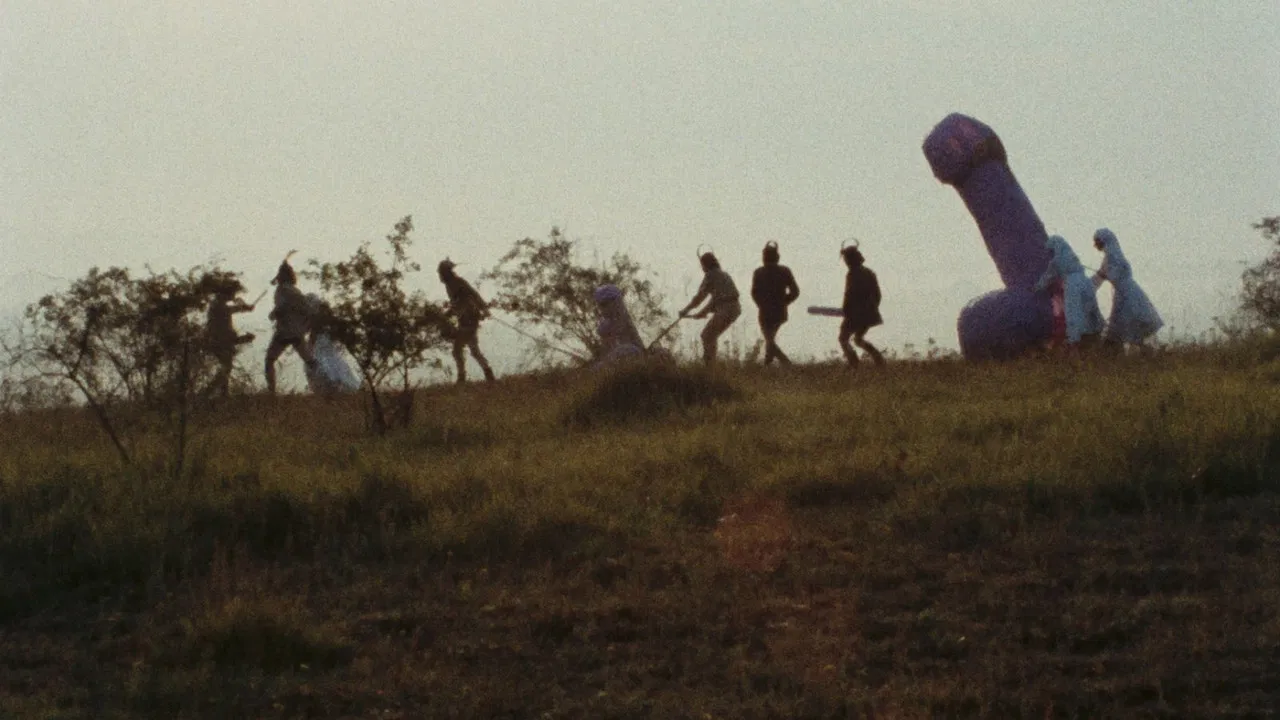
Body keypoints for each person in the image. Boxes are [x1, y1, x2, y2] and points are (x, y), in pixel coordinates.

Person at [1091, 228, 1163, 350]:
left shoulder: (1114, 257)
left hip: (1127, 296)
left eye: (1097, 242)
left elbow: (1111, 275)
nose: (1095, 245)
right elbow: (1098, 278)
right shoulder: (1109, 258)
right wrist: (1085, 287)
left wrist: (1102, 276)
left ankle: (1116, 353)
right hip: (1124, 294)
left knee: (1127, 324)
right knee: (1124, 325)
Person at [1033, 235, 1105, 351]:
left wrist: (1037, 287)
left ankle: (1074, 344)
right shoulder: (1073, 257)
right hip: (1086, 283)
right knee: (1089, 310)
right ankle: (1095, 338)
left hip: (1073, 285)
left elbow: (1048, 276)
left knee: (1073, 312)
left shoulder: (1056, 261)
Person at [438, 259, 496, 383]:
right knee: (474, 350)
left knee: (457, 349)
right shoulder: (449, 285)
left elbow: (473, 295)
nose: (440, 275)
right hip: (464, 319)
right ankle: (488, 373)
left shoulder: (459, 282)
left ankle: (462, 377)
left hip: (470, 318)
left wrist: (484, 308)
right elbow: (456, 304)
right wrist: (448, 314)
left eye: (441, 272)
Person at [679, 251, 741, 365]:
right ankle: (711, 365)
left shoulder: (711, 275)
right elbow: (715, 300)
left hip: (726, 308)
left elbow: (700, 297)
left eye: (702, 265)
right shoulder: (723, 274)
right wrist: (702, 312)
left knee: (707, 335)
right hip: (734, 308)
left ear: (705, 264)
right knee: (710, 335)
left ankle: (710, 366)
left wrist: (685, 310)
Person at [265, 259, 317, 394]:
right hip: (297, 332)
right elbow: (306, 310)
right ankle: (322, 384)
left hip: (284, 333)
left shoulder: (282, 290)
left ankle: (271, 392)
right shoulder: (295, 291)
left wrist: (273, 314)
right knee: (310, 361)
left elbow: (282, 307)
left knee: (269, 360)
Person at [204, 278, 256, 397]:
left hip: (220, 340)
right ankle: (207, 393)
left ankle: (223, 395)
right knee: (226, 368)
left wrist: (243, 307)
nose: (234, 296)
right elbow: (228, 311)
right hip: (220, 341)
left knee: (226, 368)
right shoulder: (219, 306)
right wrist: (244, 307)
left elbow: (230, 310)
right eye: (232, 293)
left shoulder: (217, 304)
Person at [750, 241, 800, 365]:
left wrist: (761, 304)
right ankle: (768, 364)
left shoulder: (758, 272)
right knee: (770, 339)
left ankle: (787, 364)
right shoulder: (785, 271)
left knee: (769, 340)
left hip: (765, 312)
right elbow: (795, 292)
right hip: (780, 311)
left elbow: (754, 293)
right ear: (777, 257)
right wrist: (785, 302)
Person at [838, 244, 886, 366]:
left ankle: (853, 362)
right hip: (870, 313)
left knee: (843, 338)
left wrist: (847, 309)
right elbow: (878, 295)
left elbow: (849, 294)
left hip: (856, 315)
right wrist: (872, 309)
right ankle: (879, 360)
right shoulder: (869, 272)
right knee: (858, 339)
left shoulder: (852, 274)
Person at [594, 284, 645, 364]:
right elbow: (607, 351)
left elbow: (638, 343)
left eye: (605, 304)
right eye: (602, 305)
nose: (602, 309)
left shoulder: (626, 319)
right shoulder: (604, 327)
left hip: (633, 357)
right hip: (616, 361)